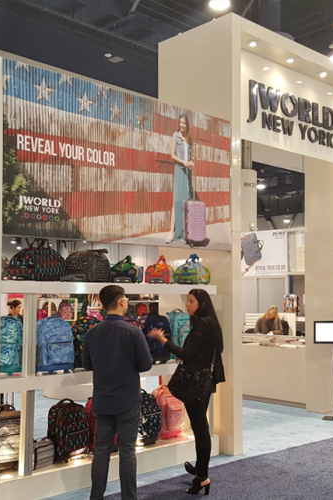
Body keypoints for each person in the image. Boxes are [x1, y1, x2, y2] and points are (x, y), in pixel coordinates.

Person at [148, 289, 225, 495]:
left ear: (202, 303)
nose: (187, 304)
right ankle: (200, 471)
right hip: (204, 381)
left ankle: (202, 477)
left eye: (191, 301)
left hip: (196, 383)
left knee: (200, 429)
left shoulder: (202, 324)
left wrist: (162, 340)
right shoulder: (210, 322)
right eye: (187, 301)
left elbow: (186, 353)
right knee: (201, 427)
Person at [82, 285, 153, 500]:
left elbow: (86, 364)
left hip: (102, 399)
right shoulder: (133, 332)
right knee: (127, 451)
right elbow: (146, 364)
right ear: (122, 302)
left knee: (101, 451)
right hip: (127, 400)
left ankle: (96, 496)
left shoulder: (92, 333)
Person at [166, 113, 194, 244]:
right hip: (179, 169)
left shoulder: (189, 139)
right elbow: (172, 155)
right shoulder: (175, 136)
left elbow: (191, 157)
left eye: (184, 123)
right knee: (176, 201)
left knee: (185, 203)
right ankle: (171, 232)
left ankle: (185, 233)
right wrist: (184, 162)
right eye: (181, 122)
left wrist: (191, 162)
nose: (182, 125)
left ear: (187, 125)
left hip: (188, 172)